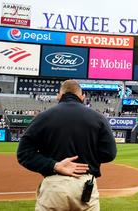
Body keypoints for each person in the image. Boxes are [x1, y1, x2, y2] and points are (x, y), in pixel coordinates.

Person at [17, 80, 117, 211]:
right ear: (82, 97)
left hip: (53, 185)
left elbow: (23, 153)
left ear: (59, 95)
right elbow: (109, 153)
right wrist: (88, 158)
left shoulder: (43, 117)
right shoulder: (98, 118)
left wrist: (54, 165)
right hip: (85, 185)